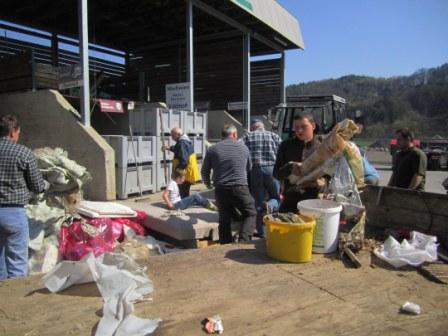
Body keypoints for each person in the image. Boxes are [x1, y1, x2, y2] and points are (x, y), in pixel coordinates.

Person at [0, 115, 47, 280]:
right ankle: (15, 302)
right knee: (16, 263)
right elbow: (37, 186)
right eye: (18, 132)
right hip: (13, 213)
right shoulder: (23, 153)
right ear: (13, 132)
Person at [201, 124, 256, 244]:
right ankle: (244, 241)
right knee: (250, 213)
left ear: (222, 135)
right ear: (235, 134)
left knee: (224, 219)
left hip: (220, 189)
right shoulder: (243, 148)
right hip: (240, 187)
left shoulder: (213, 149)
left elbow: (204, 171)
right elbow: (249, 167)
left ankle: (225, 245)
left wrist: (208, 184)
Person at [273, 113, 324, 212]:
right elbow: (276, 174)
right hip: (291, 200)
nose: (299, 131)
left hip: (316, 201)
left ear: (313, 126)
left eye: (304, 127)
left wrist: (322, 182)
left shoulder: (322, 146)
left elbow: (332, 174)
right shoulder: (286, 146)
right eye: (296, 128)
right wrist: (290, 168)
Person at [242, 118, 281, 238]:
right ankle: (271, 205)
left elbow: (237, 147)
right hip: (272, 169)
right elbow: (282, 150)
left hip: (255, 170)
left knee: (257, 203)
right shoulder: (274, 136)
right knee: (276, 197)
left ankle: (262, 233)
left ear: (253, 128)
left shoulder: (248, 136)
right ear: (263, 126)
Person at [162, 127, 200, 198]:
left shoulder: (182, 143)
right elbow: (178, 150)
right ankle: (184, 203)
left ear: (178, 134)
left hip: (184, 172)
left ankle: (183, 205)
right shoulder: (184, 141)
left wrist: (177, 173)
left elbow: (183, 161)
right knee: (184, 191)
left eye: (173, 135)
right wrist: (169, 148)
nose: (172, 138)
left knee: (183, 192)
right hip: (186, 171)